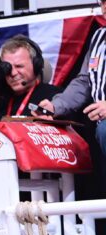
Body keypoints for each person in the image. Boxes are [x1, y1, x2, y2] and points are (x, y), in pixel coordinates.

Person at [40, 0, 106, 160]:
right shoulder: (99, 37)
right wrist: (55, 106)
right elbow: (84, 81)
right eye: (102, 1)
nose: (104, 5)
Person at [0, 36, 60, 123]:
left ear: (36, 65)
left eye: (19, 66)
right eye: (8, 68)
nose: (13, 73)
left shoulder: (55, 99)